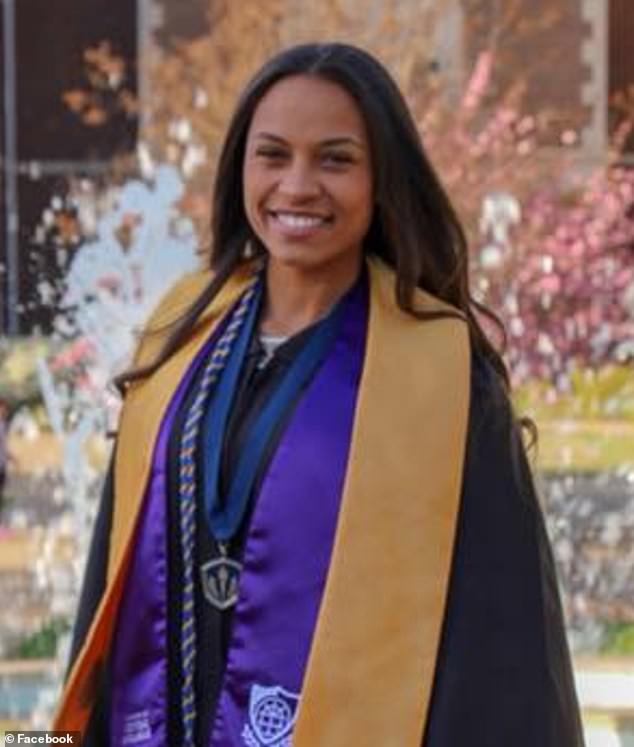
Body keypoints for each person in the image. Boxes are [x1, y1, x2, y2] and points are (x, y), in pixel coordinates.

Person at [54, 43, 584, 746]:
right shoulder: (181, 336)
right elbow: (112, 586)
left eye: (335, 160)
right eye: (273, 155)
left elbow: (501, 643)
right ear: (241, 168)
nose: (297, 186)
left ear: (382, 177)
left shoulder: (441, 371)